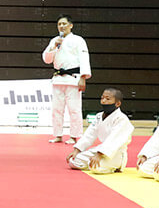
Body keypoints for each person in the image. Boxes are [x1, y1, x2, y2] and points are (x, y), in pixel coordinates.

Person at [42, 15, 91, 144]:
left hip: (73, 79)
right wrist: (54, 47)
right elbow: (47, 59)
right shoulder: (55, 40)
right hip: (58, 79)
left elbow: (84, 59)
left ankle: (74, 136)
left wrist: (83, 77)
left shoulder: (78, 40)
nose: (61, 26)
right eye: (59, 24)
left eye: (64, 23)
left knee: (74, 109)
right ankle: (58, 135)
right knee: (56, 109)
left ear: (71, 25)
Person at [66, 88, 134, 174]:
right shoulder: (99, 116)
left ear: (117, 103)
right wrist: (77, 150)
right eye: (102, 98)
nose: (104, 101)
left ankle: (115, 166)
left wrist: (100, 154)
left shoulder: (121, 119)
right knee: (74, 161)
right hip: (100, 149)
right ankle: (95, 163)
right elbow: (89, 134)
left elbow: (114, 139)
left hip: (116, 153)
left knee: (95, 167)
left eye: (108, 99)